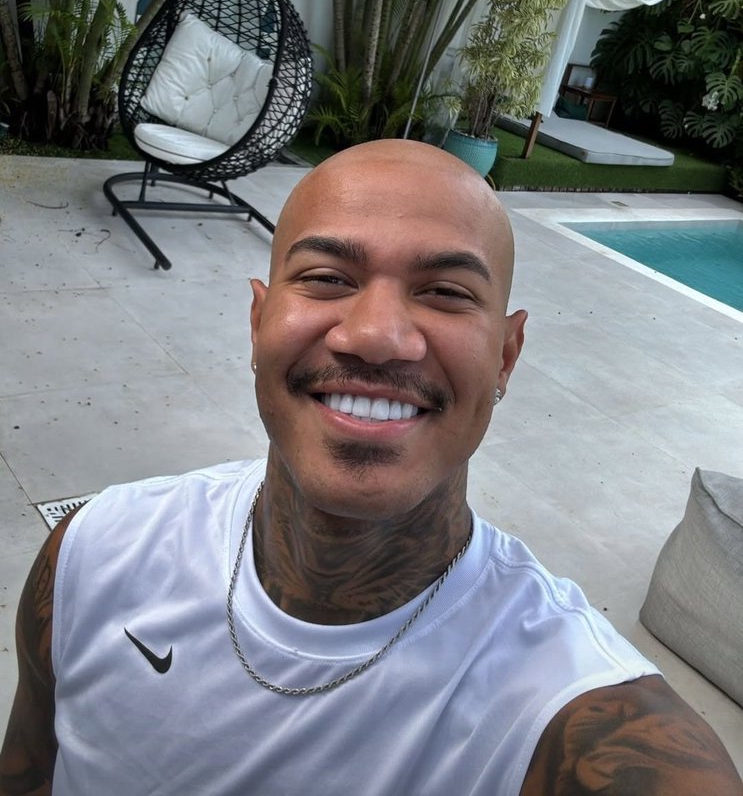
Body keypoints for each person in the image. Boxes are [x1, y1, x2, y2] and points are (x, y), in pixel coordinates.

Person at [1, 140, 741, 795]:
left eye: (445, 292)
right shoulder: (93, 554)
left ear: (505, 358)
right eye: (327, 278)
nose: (377, 336)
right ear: (258, 323)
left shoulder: (583, 728)